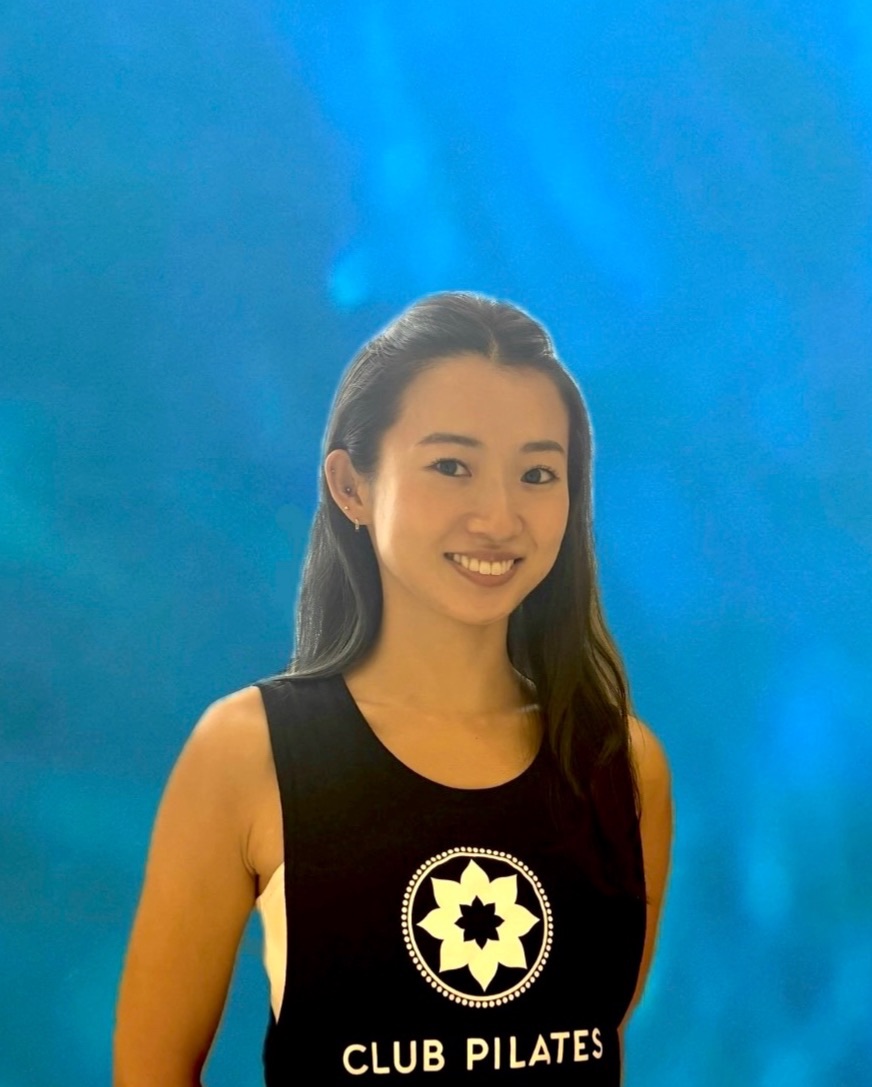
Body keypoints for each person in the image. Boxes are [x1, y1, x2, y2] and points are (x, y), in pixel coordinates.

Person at [114, 291, 672, 1086]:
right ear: (351, 486)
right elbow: (150, 1070)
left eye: (538, 473)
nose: (499, 516)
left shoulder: (621, 763)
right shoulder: (249, 752)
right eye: (452, 466)